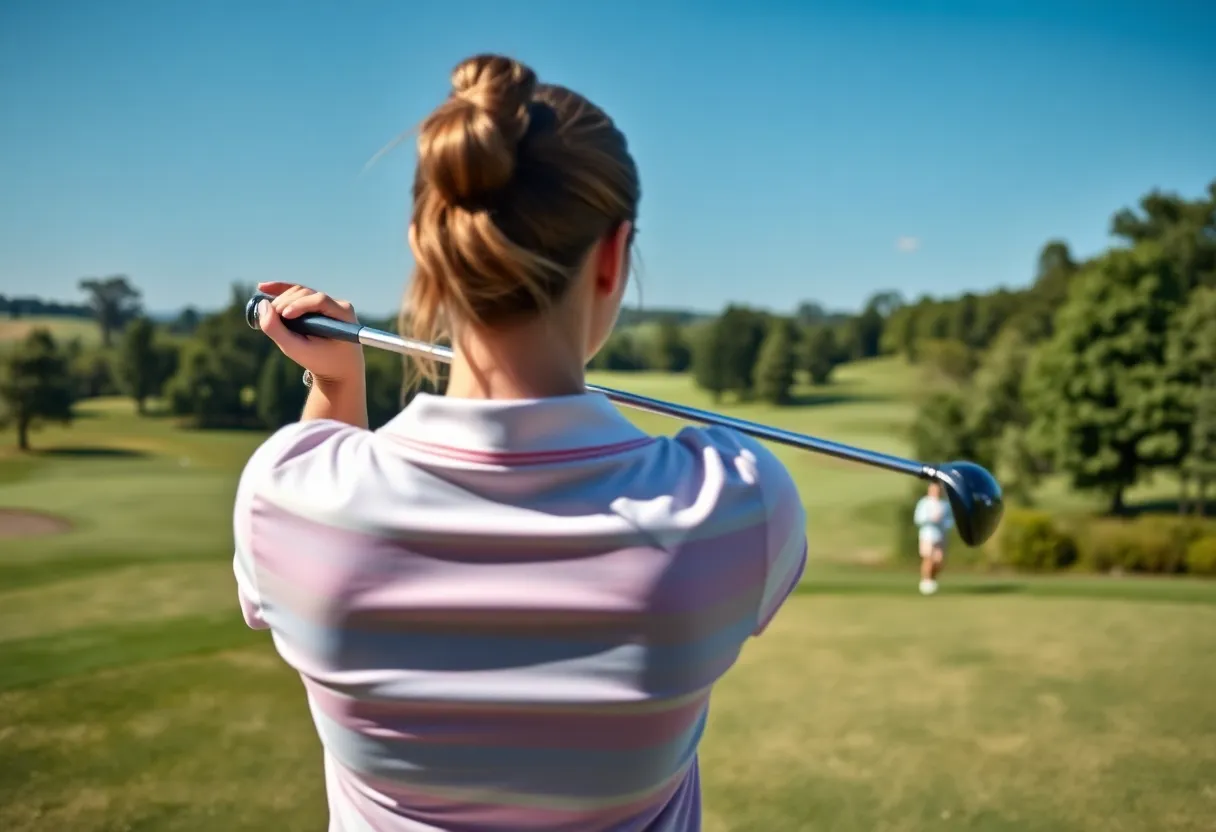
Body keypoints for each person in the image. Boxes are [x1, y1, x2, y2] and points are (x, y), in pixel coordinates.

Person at [233, 54, 808, 832]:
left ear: (422, 246)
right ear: (614, 256)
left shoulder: (288, 493)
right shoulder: (736, 498)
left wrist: (336, 390)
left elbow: (324, 498)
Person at [913, 481, 953, 595]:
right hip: (927, 534)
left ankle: (932, 578)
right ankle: (926, 581)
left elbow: (950, 521)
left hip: (940, 535)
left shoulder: (944, 504)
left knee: (938, 560)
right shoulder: (924, 503)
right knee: (928, 558)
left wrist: (942, 522)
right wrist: (931, 519)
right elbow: (918, 519)